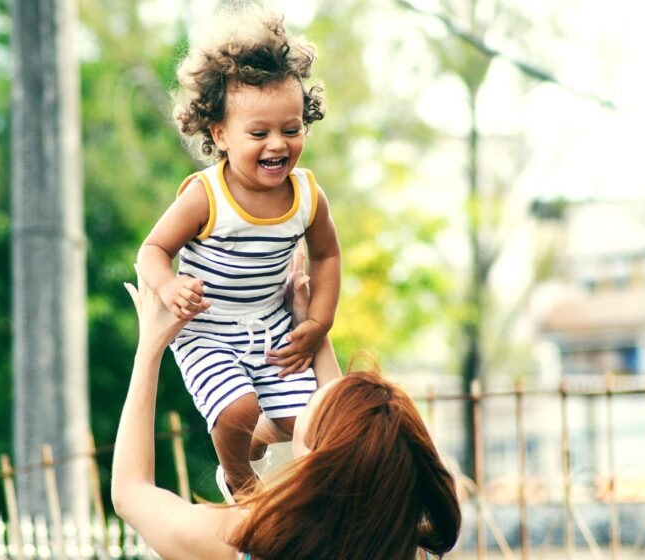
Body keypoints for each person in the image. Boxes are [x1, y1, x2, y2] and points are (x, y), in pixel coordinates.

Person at [112, 268, 462, 560]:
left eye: (311, 403)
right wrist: (308, 325)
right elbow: (350, 442)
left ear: (314, 459)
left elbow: (131, 493)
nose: (307, 395)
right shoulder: (403, 547)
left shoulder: (244, 541)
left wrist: (150, 348)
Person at [136, 8, 341, 501]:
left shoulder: (308, 195)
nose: (278, 144)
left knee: (303, 421)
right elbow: (152, 249)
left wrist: (318, 323)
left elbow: (328, 257)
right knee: (236, 410)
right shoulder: (206, 196)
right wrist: (168, 286)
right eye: (259, 133)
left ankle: (254, 439)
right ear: (220, 134)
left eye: (291, 129)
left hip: (270, 324)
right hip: (207, 328)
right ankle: (240, 482)